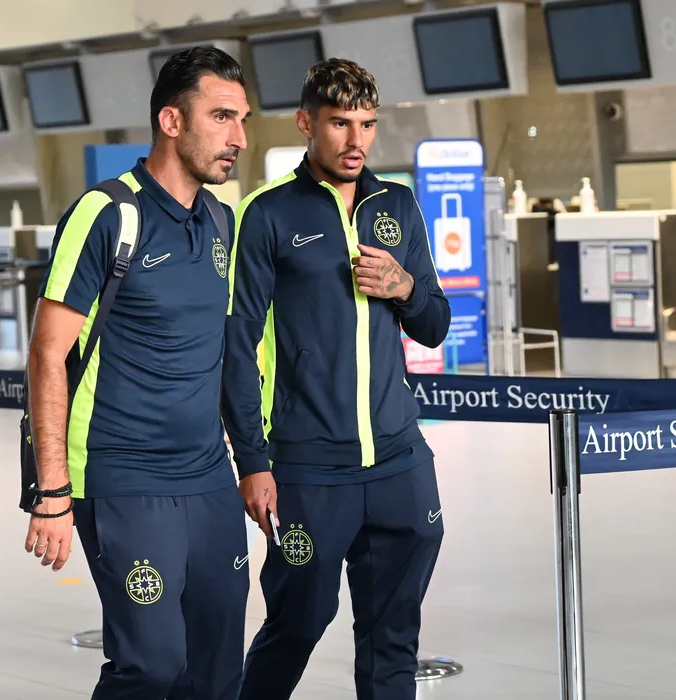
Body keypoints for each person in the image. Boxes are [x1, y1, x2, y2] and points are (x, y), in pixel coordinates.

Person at [24, 46, 252, 700]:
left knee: (218, 672)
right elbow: (47, 353)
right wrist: (51, 491)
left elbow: (224, 351)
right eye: (221, 117)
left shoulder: (220, 220)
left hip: (208, 477)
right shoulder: (107, 214)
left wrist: (253, 461)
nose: (238, 137)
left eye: (241, 119)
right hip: (122, 476)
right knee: (152, 666)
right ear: (171, 121)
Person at [221, 57, 450, 700]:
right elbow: (237, 347)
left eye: (367, 124)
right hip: (309, 467)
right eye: (340, 123)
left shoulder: (396, 204)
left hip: (400, 462)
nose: (356, 140)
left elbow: (434, 325)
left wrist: (404, 287)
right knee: (298, 623)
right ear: (306, 123)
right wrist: (252, 462)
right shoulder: (267, 215)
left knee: (393, 638)